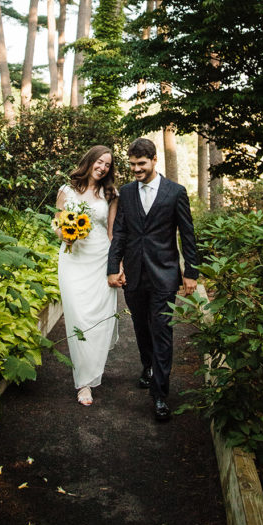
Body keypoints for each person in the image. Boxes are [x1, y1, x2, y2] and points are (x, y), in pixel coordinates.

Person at [107, 137, 199, 422]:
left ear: (154, 160)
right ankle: (147, 367)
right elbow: (120, 233)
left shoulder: (175, 192)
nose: (136, 169)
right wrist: (113, 267)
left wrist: (191, 271)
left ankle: (160, 395)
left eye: (141, 164)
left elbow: (187, 233)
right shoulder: (126, 192)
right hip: (134, 274)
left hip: (164, 274)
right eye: (132, 164)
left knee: (161, 331)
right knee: (141, 328)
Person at [54, 145, 120, 406]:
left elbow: (112, 234)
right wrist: (68, 232)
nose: (103, 167)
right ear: (90, 161)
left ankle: (92, 372)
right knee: (78, 319)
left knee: (100, 319)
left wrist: (117, 266)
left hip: (100, 259)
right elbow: (58, 226)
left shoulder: (110, 193)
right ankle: (83, 383)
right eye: (100, 162)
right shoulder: (66, 190)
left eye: (107, 164)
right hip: (73, 260)